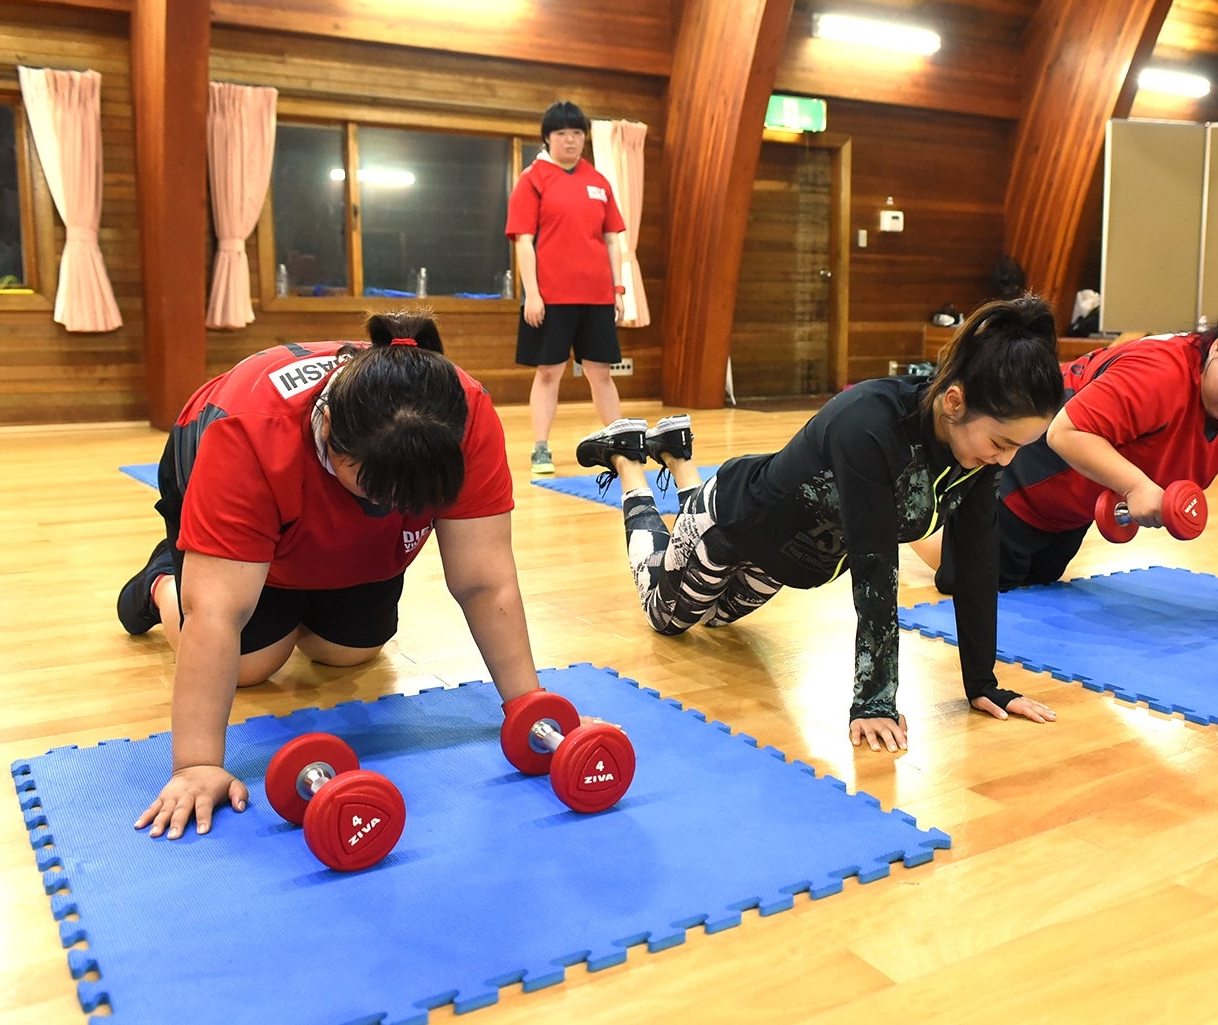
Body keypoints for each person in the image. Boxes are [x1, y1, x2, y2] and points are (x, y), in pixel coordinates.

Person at [575, 296, 1068, 753]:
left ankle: (679, 456)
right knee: (669, 619)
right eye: (1003, 443)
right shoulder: (871, 426)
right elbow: (875, 567)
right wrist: (874, 701)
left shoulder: (977, 460)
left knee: (716, 619)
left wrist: (983, 683)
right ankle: (627, 464)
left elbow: (979, 561)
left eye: (1020, 448)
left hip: (780, 564)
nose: (1007, 461)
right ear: (954, 402)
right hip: (731, 523)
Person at [120, 312, 543, 840]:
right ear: (325, 430)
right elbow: (217, 613)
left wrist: (529, 708)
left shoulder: (464, 413)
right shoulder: (249, 431)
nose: (391, 505)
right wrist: (196, 765)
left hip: (324, 518)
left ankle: (292, 584)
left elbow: (485, 581)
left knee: (349, 651)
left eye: (405, 499)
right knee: (250, 665)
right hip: (224, 465)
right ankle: (165, 580)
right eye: (376, 489)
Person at [981, 292, 1218, 623]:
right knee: (977, 582)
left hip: (1076, 503)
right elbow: (1066, 432)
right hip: (1023, 467)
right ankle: (935, 514)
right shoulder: (1160, 373)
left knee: (1040, 581)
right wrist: (1137, 486)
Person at [507, 100, 630, 476]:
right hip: (552, 298)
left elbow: (611, 239)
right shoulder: (534, 178)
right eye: (561, 133)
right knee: (548, 373)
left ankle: (619, 442)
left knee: (602, 372)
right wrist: (533, 293)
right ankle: (541, 448)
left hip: (596, 296)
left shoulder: (598, 181)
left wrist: (619, 289)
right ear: (548, 138)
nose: (570, 140)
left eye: (577, 133)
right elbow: (523, 241)